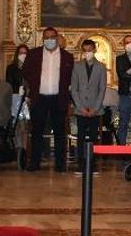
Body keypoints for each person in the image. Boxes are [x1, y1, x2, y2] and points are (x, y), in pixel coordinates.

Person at [22, 26, 74, 171]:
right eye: (47, 37)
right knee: (37, 131)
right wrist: (30, 89)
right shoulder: (33, 54)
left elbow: (70, 79)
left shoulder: (67, 57)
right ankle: (34, 162)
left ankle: (60, 164)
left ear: (57, 38)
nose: (50, 40)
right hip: (39, 99)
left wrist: (69, 100)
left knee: (59, 132)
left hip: (58, 99)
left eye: (52, 37)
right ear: (43, 39)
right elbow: (25, 73)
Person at [70, 38, 107, 173]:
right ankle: (81, 163)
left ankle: (92, 163)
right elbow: (74, 89)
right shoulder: (77, 66)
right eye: (85, 51)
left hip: (95, 109)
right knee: (80, 136)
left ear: (94, 50)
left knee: (93, 136)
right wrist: (80, 107)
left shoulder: (101, 67)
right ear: (82, 51)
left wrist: (95, 108)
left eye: (90, 50)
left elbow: (102, 89)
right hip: (81, 109)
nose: (88, 53)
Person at [115, 35, 131, 148]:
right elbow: (122, 75)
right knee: (123, 123)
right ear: (124, 45)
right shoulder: (120, 59)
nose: (130, 44)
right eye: (127, 42)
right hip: (126, 94)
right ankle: (121, 149)